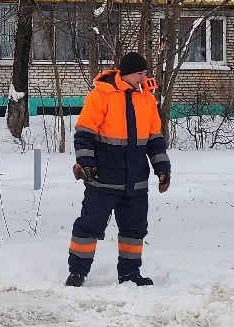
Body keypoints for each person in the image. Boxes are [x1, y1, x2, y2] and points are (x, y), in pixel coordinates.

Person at [67, 51, 171, 287]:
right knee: (89, 226)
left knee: (134, 231)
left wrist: (162, 168)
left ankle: (130, 274)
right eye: (138, 74)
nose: (143, 78)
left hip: (136, 180)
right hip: (102, 179)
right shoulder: (101, 96)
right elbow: (83, 135)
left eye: (145, 73)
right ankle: (77, 273)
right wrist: (86, 163)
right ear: (125, 74)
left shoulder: (147, 99)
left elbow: (155, 139)